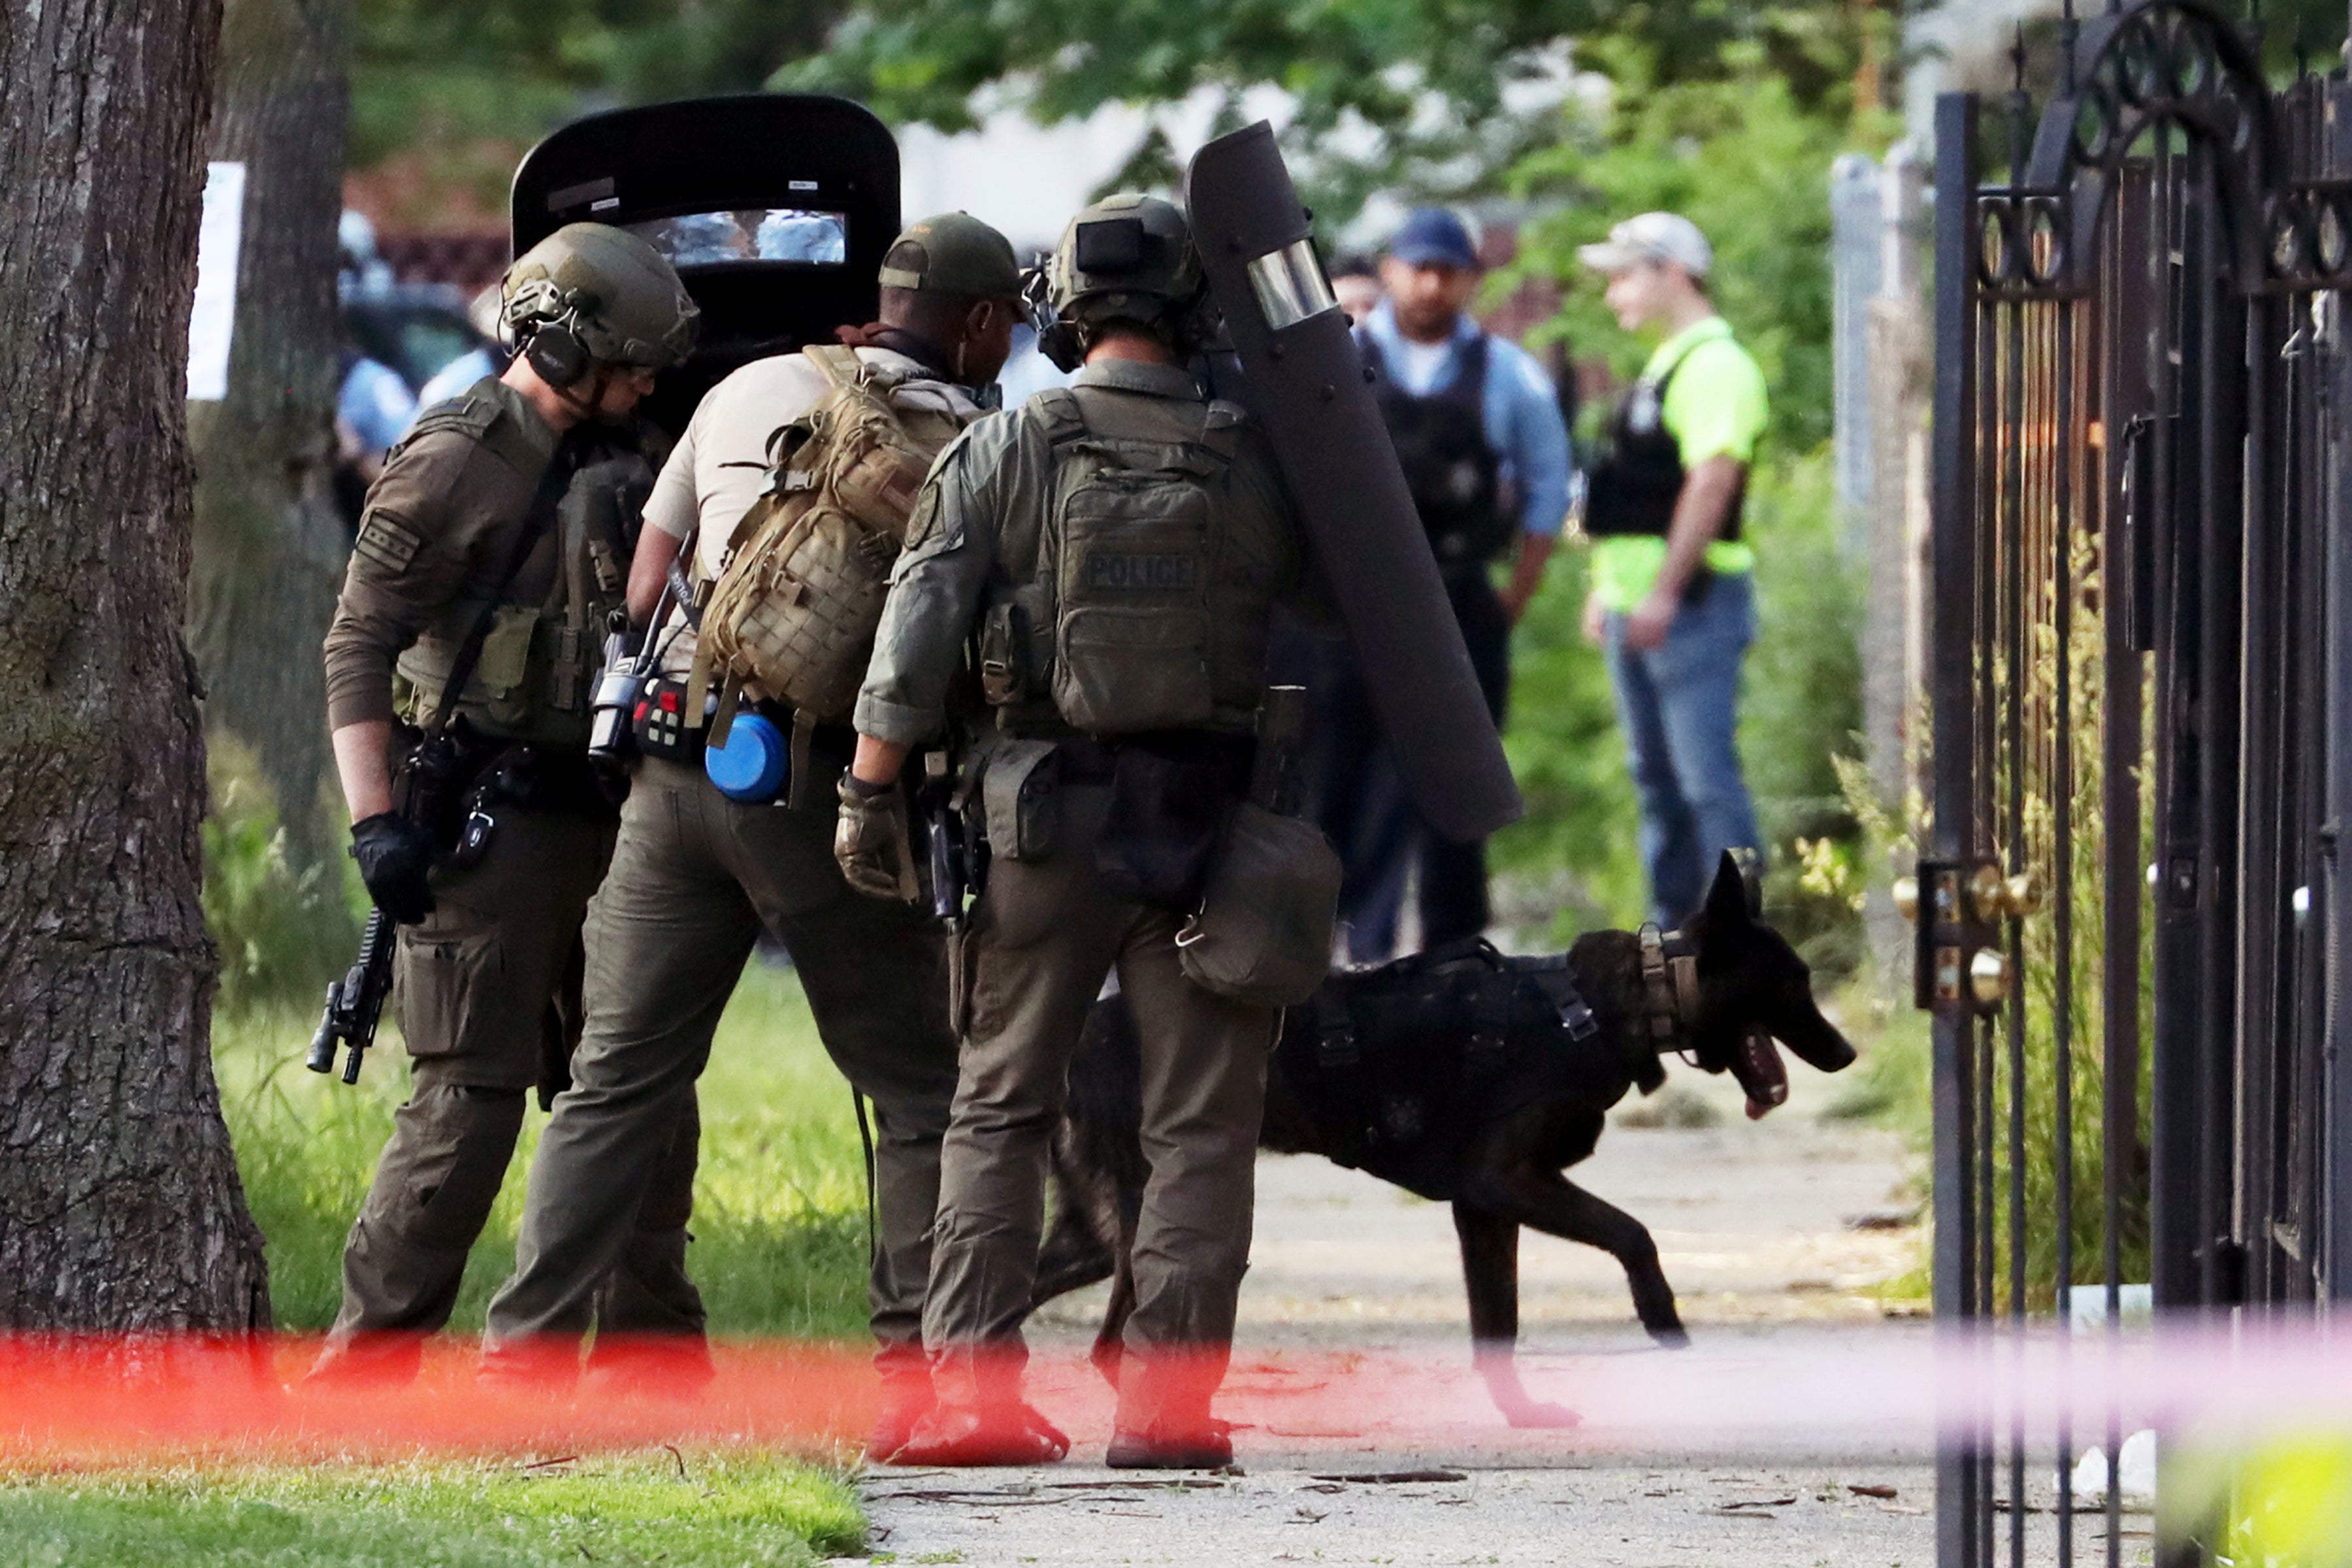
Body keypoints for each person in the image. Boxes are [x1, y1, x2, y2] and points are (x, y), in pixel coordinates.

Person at [480, 216, 1025, 1451]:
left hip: (676, 773)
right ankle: (914, 1388)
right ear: (983, 324)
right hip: (827, 791)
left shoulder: (745, 385)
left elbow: (642, 589)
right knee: (920, 1090)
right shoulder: (980, 442)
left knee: (611, 1085)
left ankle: (515, 1377)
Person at [838, 193, 1310, 1469]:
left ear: (1062, 305)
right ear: (1195, 305)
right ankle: (1168, 1414)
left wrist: (867, 794)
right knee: (1199, 1128)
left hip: (1039, 819)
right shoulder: (1258, 454)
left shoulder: (1003, 449)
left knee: (998, 1107)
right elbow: (1345, 603)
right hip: (1212, 826)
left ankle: (972, 1403)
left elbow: (914, 634)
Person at [313, 222, 703, 1384]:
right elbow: (358, 642)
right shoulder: (456, 457)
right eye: (628, 358)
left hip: (614, 815)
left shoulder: (642, 451)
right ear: (565, 343)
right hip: (489, 816)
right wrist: (377, 822)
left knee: (638, 1092)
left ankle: (647, 1358)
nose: (645, 380)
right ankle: (365, 1373)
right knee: (467, 1102)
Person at [1326, 207, 1573, 959]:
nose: (1432, 286)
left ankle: (1456, 961)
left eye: (1448, 272)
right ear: (1391, 271)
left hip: (1462, 599)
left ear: (1471, 281)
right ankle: (1349, 955)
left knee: (1461, 792)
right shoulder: (1340, 363)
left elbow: (1548, 489)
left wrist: (1512, 598)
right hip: (1356, 611)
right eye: (1418, 268)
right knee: (1345, 782)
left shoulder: (1508, 374)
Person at [1576, 211, 1767, 926]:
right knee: (1656, 781)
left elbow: (1712, 483)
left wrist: (1662, 591)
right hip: (1644, 607)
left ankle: (1737, 932)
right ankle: (1673, 935)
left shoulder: (1717, 367)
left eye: (1625, 275)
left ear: (1674, 273)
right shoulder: (1668, 365)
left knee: (1703, 782)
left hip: (1690, 607)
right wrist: (1608, 589)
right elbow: (1633, 494)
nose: (1613, 293)